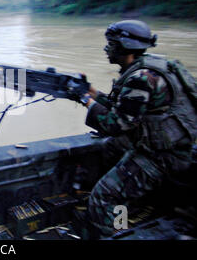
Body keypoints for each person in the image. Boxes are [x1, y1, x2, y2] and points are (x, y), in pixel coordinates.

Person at [78, 20, 196, 237]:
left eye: (111, 44)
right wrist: (93, 93)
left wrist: (87, 102)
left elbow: (116, 124)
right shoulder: (153, 67)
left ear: (124, 48)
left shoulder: (141, 79)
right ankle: (129, 200)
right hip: (175, 148)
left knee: (103, 198)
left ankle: (118, 230)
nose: (107, 49)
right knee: (110, 149)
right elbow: (128, 109)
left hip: (163, 157)